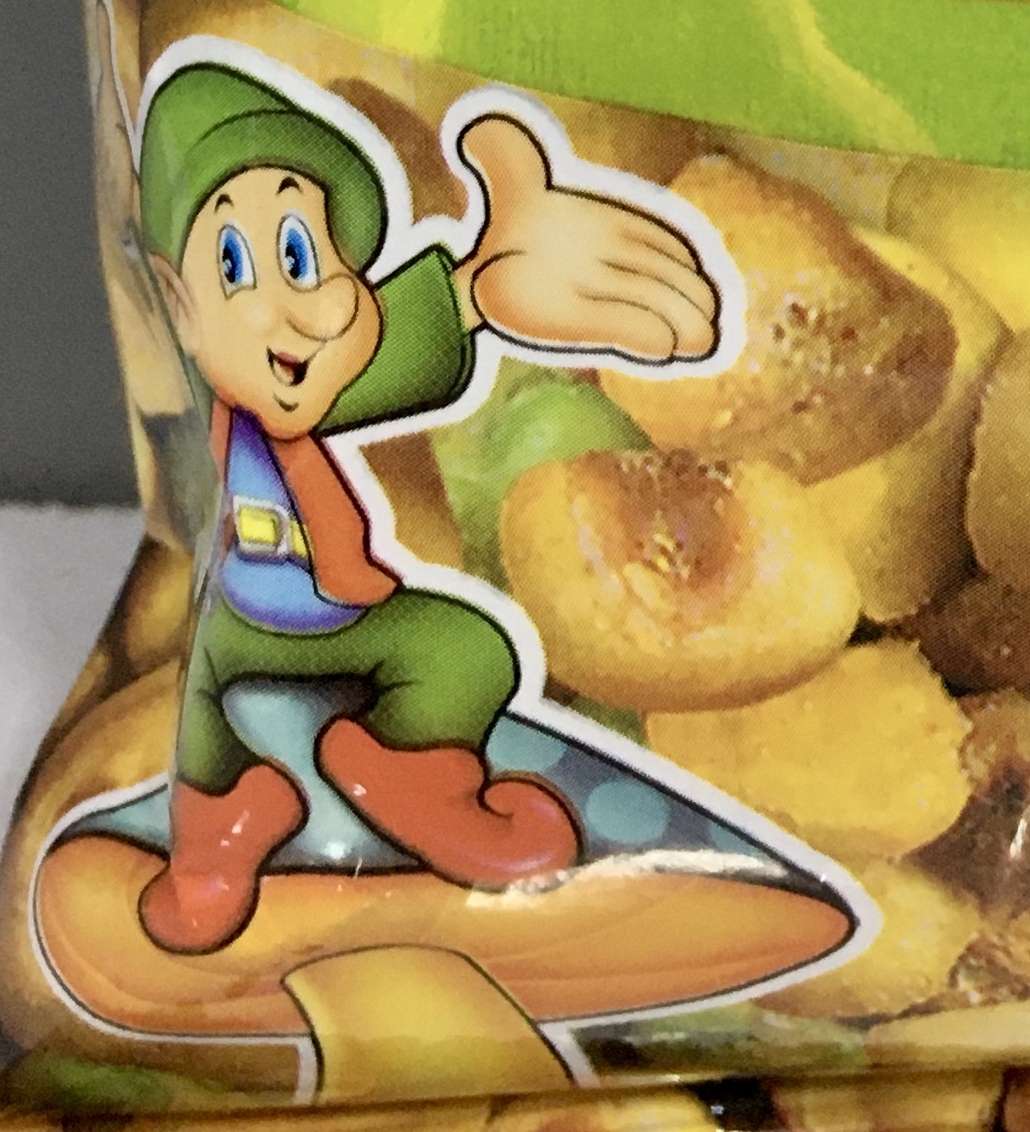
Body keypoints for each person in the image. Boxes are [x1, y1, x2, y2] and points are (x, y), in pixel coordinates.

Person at [131, 52, 723, 951]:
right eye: (238, 268)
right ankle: (222, 836)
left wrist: (483, 286)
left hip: (343, 617)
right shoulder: (229, 403)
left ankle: (411, 773)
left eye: (301, 257)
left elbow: (389, 348)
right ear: (179, 304)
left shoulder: (322, 378)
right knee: (209, 729)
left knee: (465, 645)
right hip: (242, 625)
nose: (293, 309)